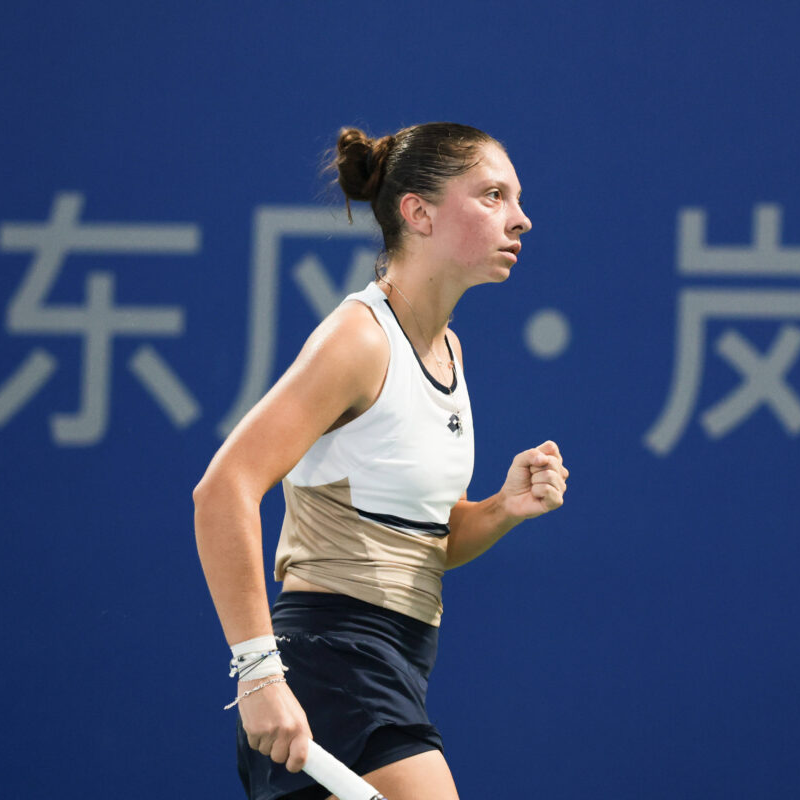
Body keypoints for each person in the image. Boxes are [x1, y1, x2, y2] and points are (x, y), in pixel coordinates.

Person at [194, 122, 569, 800]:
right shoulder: (359, 340)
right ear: (418, 212)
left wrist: (500, 510)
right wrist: (258, 674)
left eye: (515, 198)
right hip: (333, 668)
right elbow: (224, 489)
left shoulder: (448, 350)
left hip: (392, 667)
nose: (521, 219)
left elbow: (420, 542)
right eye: (493, 195)